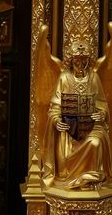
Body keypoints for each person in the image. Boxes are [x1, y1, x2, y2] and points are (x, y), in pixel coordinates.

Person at [42, 40, 112, 189]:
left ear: (88, 60)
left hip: (92, 127)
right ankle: (71, 178)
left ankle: (91, 179)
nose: (80, 63)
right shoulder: (64, 78)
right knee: (65, 152)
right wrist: (56, 121)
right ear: (71, 59)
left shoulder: (94, 78)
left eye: (84, 59)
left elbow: (102, 105)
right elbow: (54, 108)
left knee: (96, 143)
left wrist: (101, 114)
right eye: (77, 59)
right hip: (69, 129)